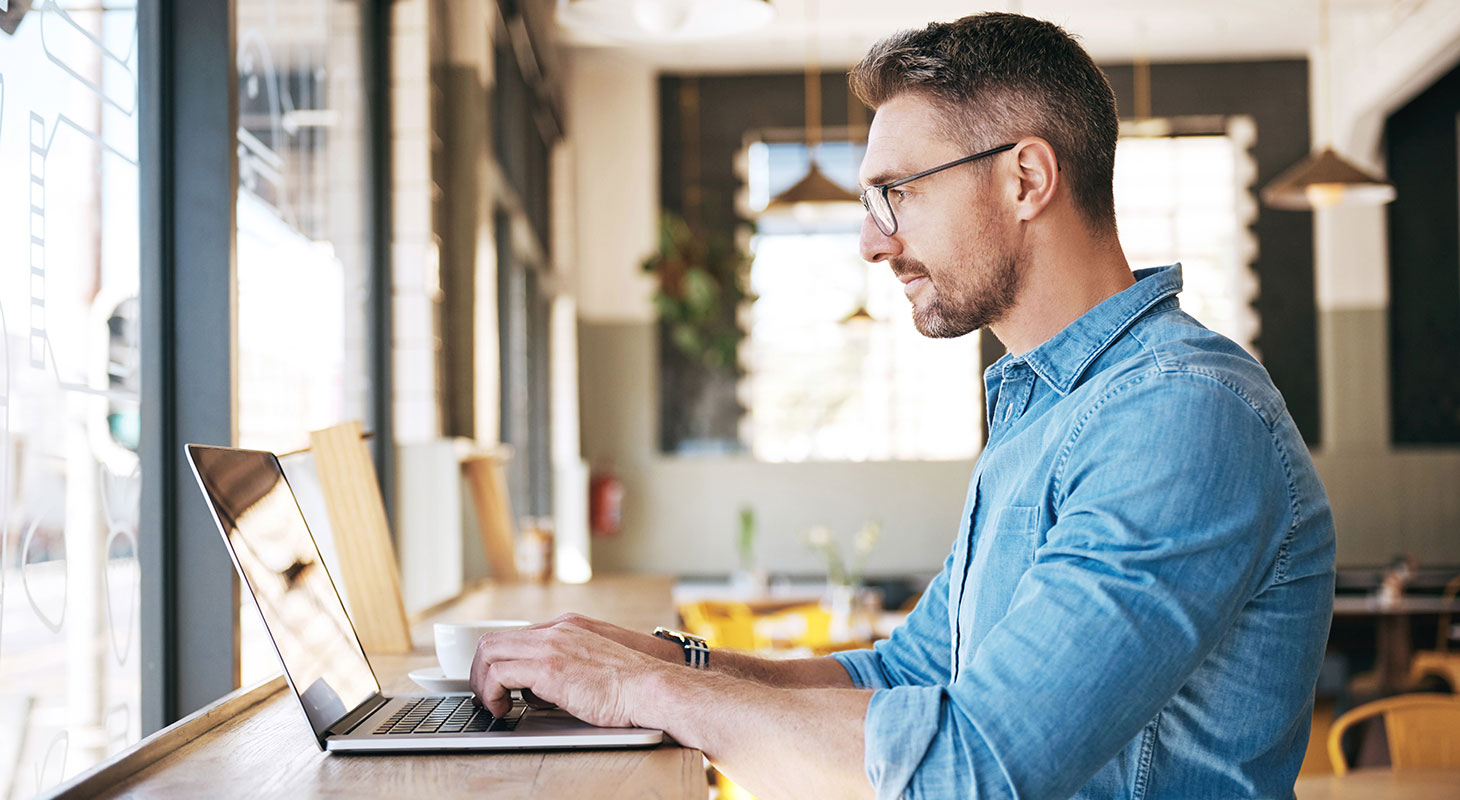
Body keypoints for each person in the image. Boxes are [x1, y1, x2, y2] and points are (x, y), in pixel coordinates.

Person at [469, 12, 1335, 799]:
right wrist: (668, 658)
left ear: (1026, 178)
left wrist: (637, 690)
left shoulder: (1179, 415)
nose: (872, 241)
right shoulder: (1045, 408)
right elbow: (908, 675)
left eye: (898, 191)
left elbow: (976, 767)